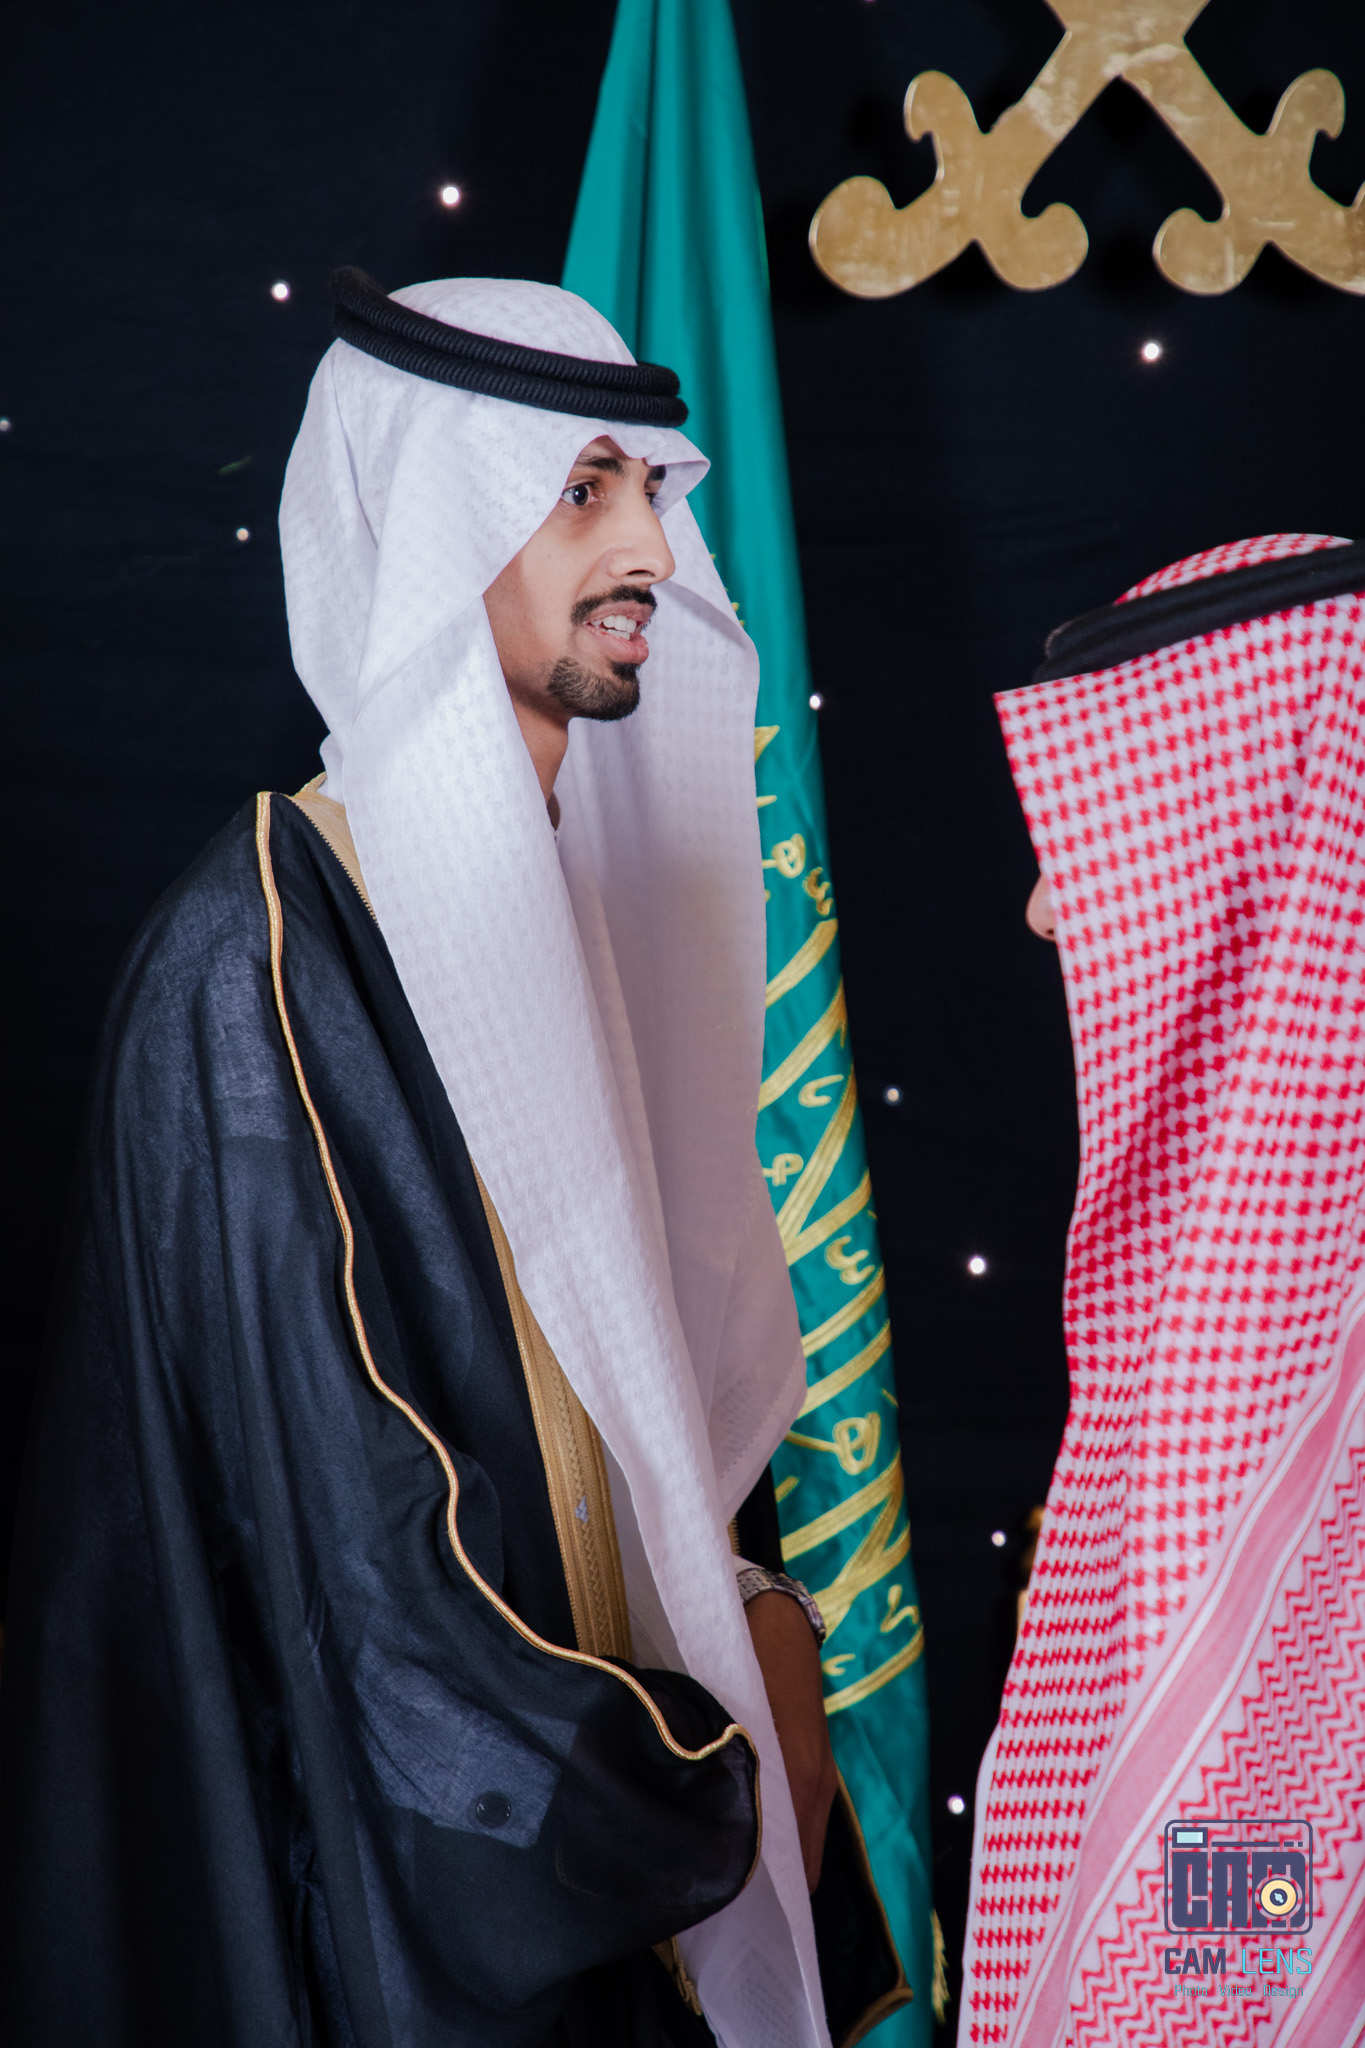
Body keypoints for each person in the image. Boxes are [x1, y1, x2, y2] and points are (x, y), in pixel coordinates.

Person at [0, 274, 905, 2048]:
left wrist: (753, 1629)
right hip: (403, 1911)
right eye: (578, 493)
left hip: (593, 1873)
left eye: (651, 489)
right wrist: (702, 1776)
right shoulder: (264, 952)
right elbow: (361, 1574)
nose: (648, 548)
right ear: (424, 532)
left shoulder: (574, 921)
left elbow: (634, 1425)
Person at [961, 533, 1365, 2046]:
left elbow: (1240, 1851)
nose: (1044, 908)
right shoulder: (1243, 1229)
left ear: (1264, 817)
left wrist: (1193, 1990)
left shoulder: (1285, 1300)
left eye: (1104, 824)